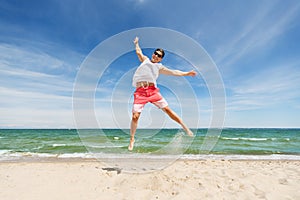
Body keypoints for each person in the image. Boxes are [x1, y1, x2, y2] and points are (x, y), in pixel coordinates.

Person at [128, 37, 197, 151]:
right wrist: (136, 43)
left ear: (160, 59)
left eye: (159, 56)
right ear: (153, 54)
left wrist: (187, 73)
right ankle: (132, 139)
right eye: (156, 53)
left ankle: (185, 127)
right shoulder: (145, 60)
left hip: (152, 91)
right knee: (135, 117)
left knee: (168, 110)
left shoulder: (159, 67)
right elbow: (138, 52)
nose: (156, 56)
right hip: (140, 92)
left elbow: (174, 72)